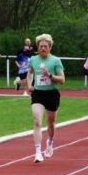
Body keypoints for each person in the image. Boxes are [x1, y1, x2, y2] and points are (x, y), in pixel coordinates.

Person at [29, 33, 65, 162]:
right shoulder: (33, 59)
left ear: (50, 47)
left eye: (45, 46)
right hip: (38, 94)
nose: (43, 48)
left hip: (52, 93)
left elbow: (62, 80)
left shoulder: (55, 61)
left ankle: (50, 142)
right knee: (37, 121)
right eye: (41, 46)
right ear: (37, 47)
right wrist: (29, 85)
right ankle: (38, 152)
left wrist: (50, 75)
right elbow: (30, 73)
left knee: (51, 123)